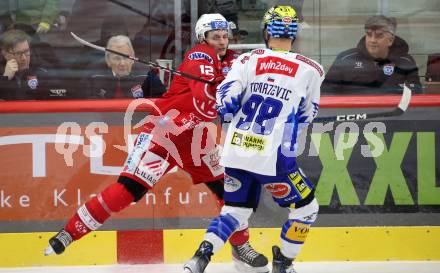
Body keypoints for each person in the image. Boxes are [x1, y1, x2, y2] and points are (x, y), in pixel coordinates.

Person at [44, 13, 268, 272]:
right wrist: (225, 89)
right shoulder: (199, 55)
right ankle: (69, 232)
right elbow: (203, 100)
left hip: (199, 140)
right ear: (202, 38)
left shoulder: (234, 61)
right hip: (166, 133)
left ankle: (241, 248)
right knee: (128, 190)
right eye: (215, 36)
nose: (221, 41)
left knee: (229, 193)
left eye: (224, 36)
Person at [183, 5, 324, 273]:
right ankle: (283, 263)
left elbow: (224, 99)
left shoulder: (247, 60)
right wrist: (294, 121)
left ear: (265, 30)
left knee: (235, 211)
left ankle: (199, 258)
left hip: (237, 151)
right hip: (274, 159)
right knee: (306, 209)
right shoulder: (312, 70)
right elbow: (307, 115)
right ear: (294, 34)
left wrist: (230, 105)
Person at [322, 15, 422, 94]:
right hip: (353, 115)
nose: (372, 40)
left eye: (379, 36)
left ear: (390, 40)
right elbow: (326, 95)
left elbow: (416, 96)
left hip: (395, 116)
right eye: (369, 35)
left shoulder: (406, 62)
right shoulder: (345, 59)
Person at [84, 35, 166, 99]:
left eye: (126, 57)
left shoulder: (146, 74)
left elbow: (161, 99)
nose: (122, 63)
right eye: (117, 58)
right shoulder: (94, 76)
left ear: (133, 58)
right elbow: (88, 103)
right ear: (108, 61)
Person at [0, 29, 67, 100]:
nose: (24, 58)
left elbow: (61, 94)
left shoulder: (43, 69)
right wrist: (5, 79)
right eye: (18, 53)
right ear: (5, 54)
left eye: (26, 51)